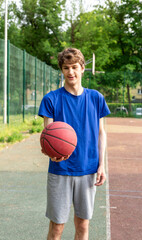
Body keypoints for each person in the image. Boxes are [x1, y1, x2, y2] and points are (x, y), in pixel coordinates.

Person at [38, 48, 110, 240]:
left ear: (83, 68)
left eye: (74, 67)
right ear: (62, 70)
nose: (71, 72)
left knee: (83, 226)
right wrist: (50, 151)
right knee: (57, 228)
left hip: (88, 169)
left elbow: (101, 133)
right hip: (60, 169)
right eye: (66, 68)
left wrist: (101, 165)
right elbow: (49, 135)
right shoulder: (51, 99)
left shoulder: (96, 98)